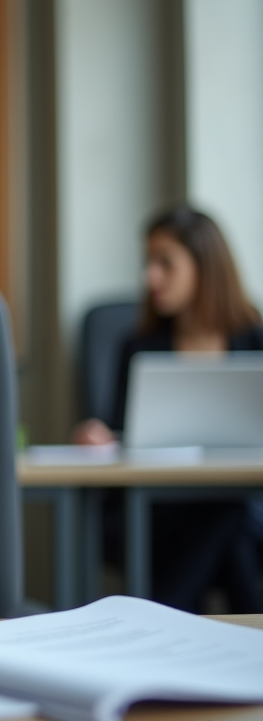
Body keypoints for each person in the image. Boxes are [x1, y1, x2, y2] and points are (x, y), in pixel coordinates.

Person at [72, 204, 263, 612]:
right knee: (229, 525)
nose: (150, 277)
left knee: (229, 517)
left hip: (242, 504)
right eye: (148, 263)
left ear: (205, 267)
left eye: (165, 264)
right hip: (155, 512)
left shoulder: (255, 339)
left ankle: (158, 617)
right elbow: (121, 430)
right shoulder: (139, 346)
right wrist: (100, 435)